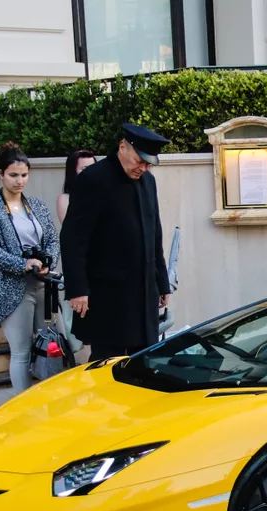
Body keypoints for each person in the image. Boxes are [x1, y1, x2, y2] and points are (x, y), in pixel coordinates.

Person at [60, 123, 171, 362]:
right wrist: (78, 289)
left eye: (148, 163)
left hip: (143, 291)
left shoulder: (148, 181)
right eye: (139, 161)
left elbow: (155, 233)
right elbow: (73, 237)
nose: (142, 168)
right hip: (107, 295)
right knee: (106, 363)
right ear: (123, 146)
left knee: (143, 362)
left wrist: (162, 281)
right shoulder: (94, 178)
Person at [0, 141, 60, 392]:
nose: (19, 181)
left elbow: (53, 239)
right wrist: (23, 264)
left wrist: (47, 261)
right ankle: (23, 412)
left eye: (24, 175)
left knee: (52, 346)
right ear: (0, 174)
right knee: (21, 351)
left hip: (45, 284)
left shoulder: (37, 205)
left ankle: (51, 403)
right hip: (11, 288)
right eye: (13, 175)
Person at [56, 148, 97, 223]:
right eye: (85, 168)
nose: (92, 171)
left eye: (94, 167)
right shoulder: (65, 199)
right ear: (73, 171)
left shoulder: (104, 193)